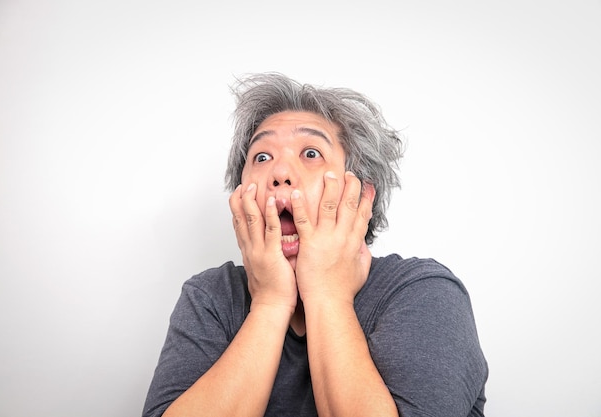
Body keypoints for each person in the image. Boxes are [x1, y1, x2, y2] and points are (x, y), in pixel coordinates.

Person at [142, 73, 488, 417]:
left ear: (360, 197)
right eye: (261, 157)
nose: (279, 172)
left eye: (310, 153)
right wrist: (270, 302)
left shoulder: (424, 291)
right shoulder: (211, 295)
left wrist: (327, 293)